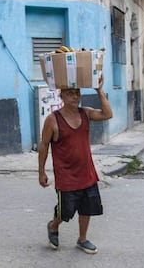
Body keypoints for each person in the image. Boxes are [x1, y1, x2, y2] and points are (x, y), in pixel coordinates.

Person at [38, 74, 113, 254]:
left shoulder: (85, 113)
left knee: (87, 208)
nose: (75, 97)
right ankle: (54, 226)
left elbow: (107, 114)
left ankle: (82, 239)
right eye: (70, 93)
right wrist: (41, 171)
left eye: (77, 93)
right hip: (66, 176)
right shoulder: (53, 120)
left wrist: (99, 90)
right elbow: (44, 145)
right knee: (66, 211)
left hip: (87, 172)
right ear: (61, 95)